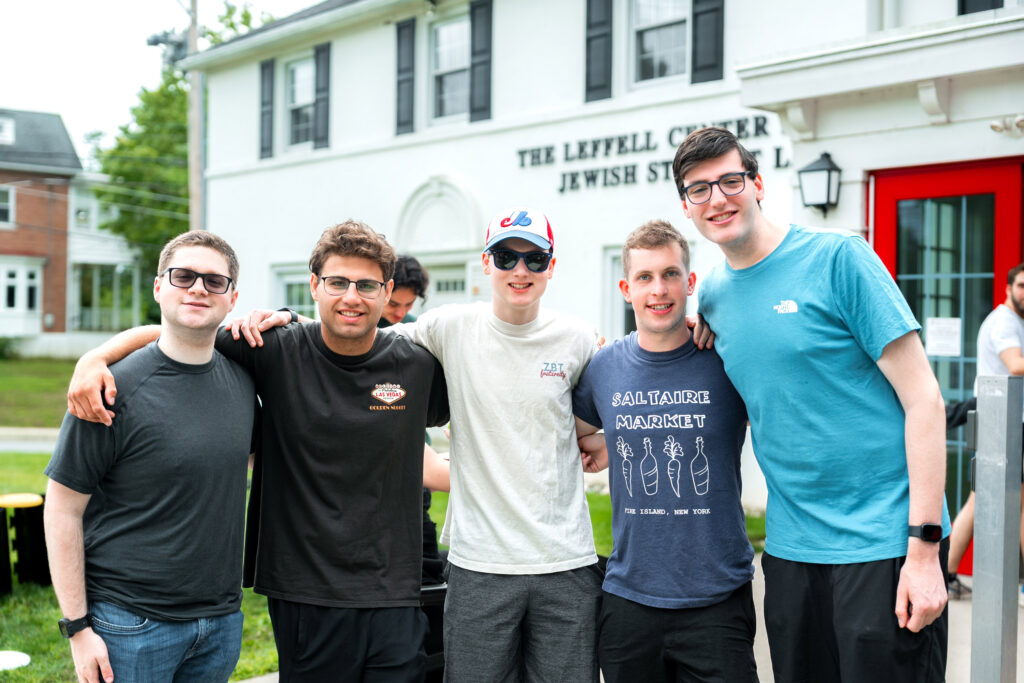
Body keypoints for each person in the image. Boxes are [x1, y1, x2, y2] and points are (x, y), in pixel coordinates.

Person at [66, 221, 450, 682]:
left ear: (387, 292)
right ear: (315, 285)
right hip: (305, 592)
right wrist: (97, 357)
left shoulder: (417, 364)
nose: (352, 296)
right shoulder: (272, 349)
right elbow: (186, 331)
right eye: (337, 283)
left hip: (395, 592)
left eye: (367, 285)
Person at [673, 126, 950, 682]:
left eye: (730, 181)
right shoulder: (714, 299)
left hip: (883, 544)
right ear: (687, 206)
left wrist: (923, 552)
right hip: (793, 551)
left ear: (757, 185)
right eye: (699, 189)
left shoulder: (838, 257)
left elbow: (924, 399)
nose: (718, 198)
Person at [44, 231, 256, 683]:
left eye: (214, 281)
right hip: (129, 624)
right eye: (184, 276)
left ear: (232, 297)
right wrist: (79, 629)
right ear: (159, 287)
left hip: (221, 621)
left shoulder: (244, 382)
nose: (199, 288)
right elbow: (62, 509)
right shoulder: (107, 390)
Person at [573, 220, 757, 682]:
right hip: (630, 598)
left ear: (690, 282)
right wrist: (603, 444)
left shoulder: (726, 358)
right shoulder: (603, 368)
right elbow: (564, 433)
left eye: (671, 274)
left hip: (717, 598)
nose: (659, 289)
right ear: (626, 288)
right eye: (645, 277)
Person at [946, 262, 1024, 603]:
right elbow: (1017, 366)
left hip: (1008, 423)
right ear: (1008, 288)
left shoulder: (1014, 321)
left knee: (981, 503)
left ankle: (947, 572)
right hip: (1004, 424)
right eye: (1022, 285)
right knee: (991, 503)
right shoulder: (1005, 323)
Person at [380, 254, 430, 326]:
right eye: (393, 304)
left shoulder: (414, 327)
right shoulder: (362, 326)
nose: (401, 314)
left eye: (409, 304)